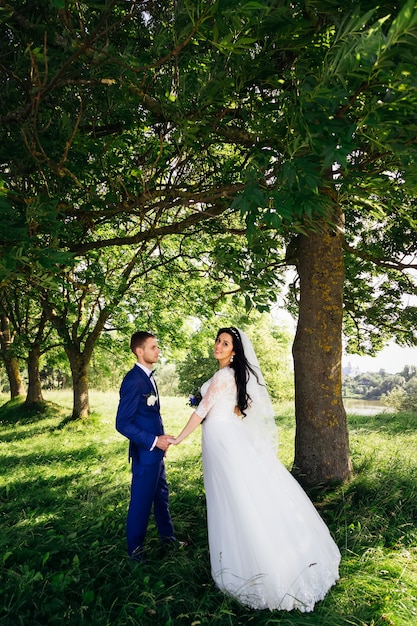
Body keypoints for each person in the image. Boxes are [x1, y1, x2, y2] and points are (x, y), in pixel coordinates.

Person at [168, 326, 341, 612]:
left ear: (235, 351)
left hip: (222, 440)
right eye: (218, 341)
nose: (218, 346)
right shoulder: (234, 375)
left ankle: (250, 566)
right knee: (232, 495)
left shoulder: (225, 376)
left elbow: (201, 412)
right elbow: (239, 408)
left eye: (225, 343)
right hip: (225, 435)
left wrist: (177, 439)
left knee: (232, 498)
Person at [116, 331, 176, 562]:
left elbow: (150, 414)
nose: (158, 350)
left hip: (156, 453)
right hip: (145, 453)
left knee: (161, 496)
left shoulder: (149, 376)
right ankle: (136, 553)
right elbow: (122, 423)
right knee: (141, 502)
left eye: (157, 346)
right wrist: (153, 441)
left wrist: (161, 440)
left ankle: (168, 539)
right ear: (139, 351)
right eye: (153, 347)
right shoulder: (133, 380)